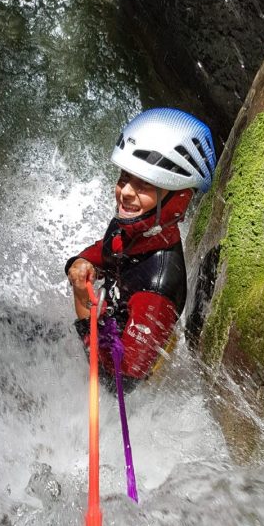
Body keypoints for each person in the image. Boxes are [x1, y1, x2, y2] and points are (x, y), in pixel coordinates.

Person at [65, 108, 216, 386]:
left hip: (114, 376)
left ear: (179, 200)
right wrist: (83, 262)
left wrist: (84, 307)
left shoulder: (157, 290)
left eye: (144, 185)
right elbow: (108, 250)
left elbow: (118, 383)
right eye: (124, 178)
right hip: (102, 337)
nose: (125, 192)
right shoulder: (136, 228)